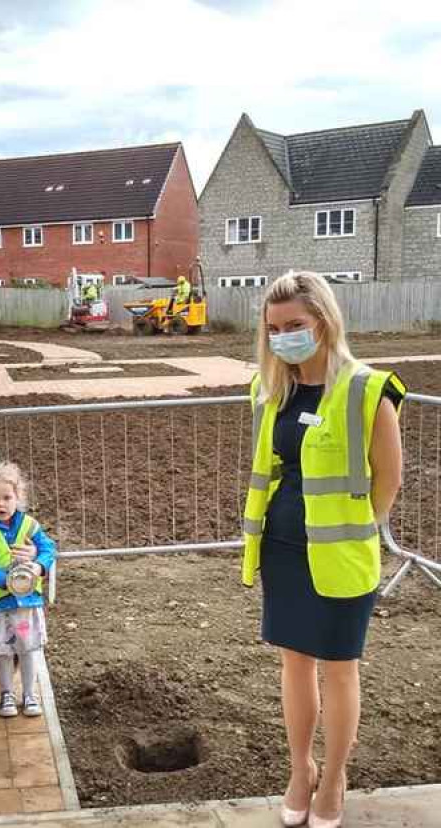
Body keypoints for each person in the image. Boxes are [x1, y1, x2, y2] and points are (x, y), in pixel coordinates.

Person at [242, 272, 404, 828]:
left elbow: (389, 479)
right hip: (284, 550)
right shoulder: (273, 392)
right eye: (274, 329)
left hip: (341, 556)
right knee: (294, 664)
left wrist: (355, 527)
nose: (284, 337)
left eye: (295, 326)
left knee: (339, 668)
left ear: (325, 323)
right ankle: (299, 769)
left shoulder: (366, 389)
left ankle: (334, 777)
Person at [0, 462, 57, 717]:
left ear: (17, 497)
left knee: (28, 650)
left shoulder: (30, 525)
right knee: (4, 652)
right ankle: (7, 694)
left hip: (27, 604)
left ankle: (29, 694)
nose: (1, 504)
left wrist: (39, 566)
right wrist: (4, 580)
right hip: (0, 605)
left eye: (7, 497)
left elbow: (48, 548)